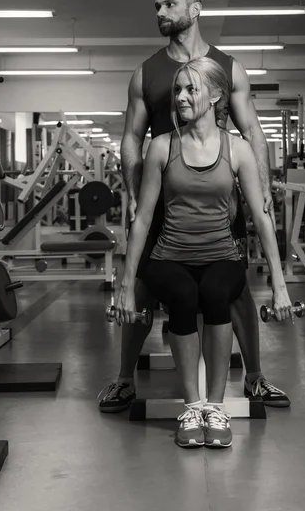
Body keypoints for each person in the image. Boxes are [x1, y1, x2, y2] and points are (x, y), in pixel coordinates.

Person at [98, 0, 291, 415]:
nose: (160, 13)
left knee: (233, 288)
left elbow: (252, 132)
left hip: (219, 199)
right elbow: (131, 138)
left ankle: (255, 379)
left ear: (196, 9)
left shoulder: (228, 67)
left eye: (170, 4)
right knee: (144, 285)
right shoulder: (146, 72)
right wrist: (132, 191)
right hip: (163, 194)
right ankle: (125, 379)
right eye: (157, 6)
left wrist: (260, 193)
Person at [119, 57, 293, 447]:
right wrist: (126, 286)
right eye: (178, 89)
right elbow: (143, 220)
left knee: (216, 293)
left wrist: (280, 286)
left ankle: (215, 409)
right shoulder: (162, 147)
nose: (180, 97)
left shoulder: (239, 149)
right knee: (182, 295)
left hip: (222, 255)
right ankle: (192, 406)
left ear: (216, 95)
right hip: (169, 256)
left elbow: (263, 220)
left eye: (191, 89)